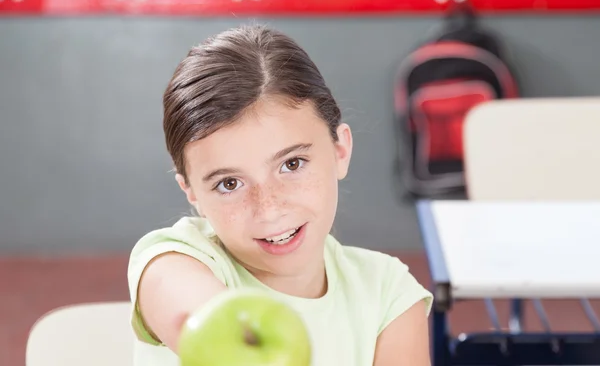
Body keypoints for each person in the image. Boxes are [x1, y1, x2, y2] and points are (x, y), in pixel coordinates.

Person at [127, 24, 433, 366]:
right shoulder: (174, 260)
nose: (268, 208)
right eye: (229, 184)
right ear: (192, 192)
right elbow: (199, 316)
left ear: (340, 150)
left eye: (292, 163)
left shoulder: (387, 291)